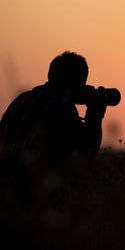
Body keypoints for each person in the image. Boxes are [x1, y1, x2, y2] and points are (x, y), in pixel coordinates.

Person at [0, 51, 108, 205]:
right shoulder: (60, 107)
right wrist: (95, 111)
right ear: (75, 83)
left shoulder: (23, 98)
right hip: (23, 196)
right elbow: (89, 150)